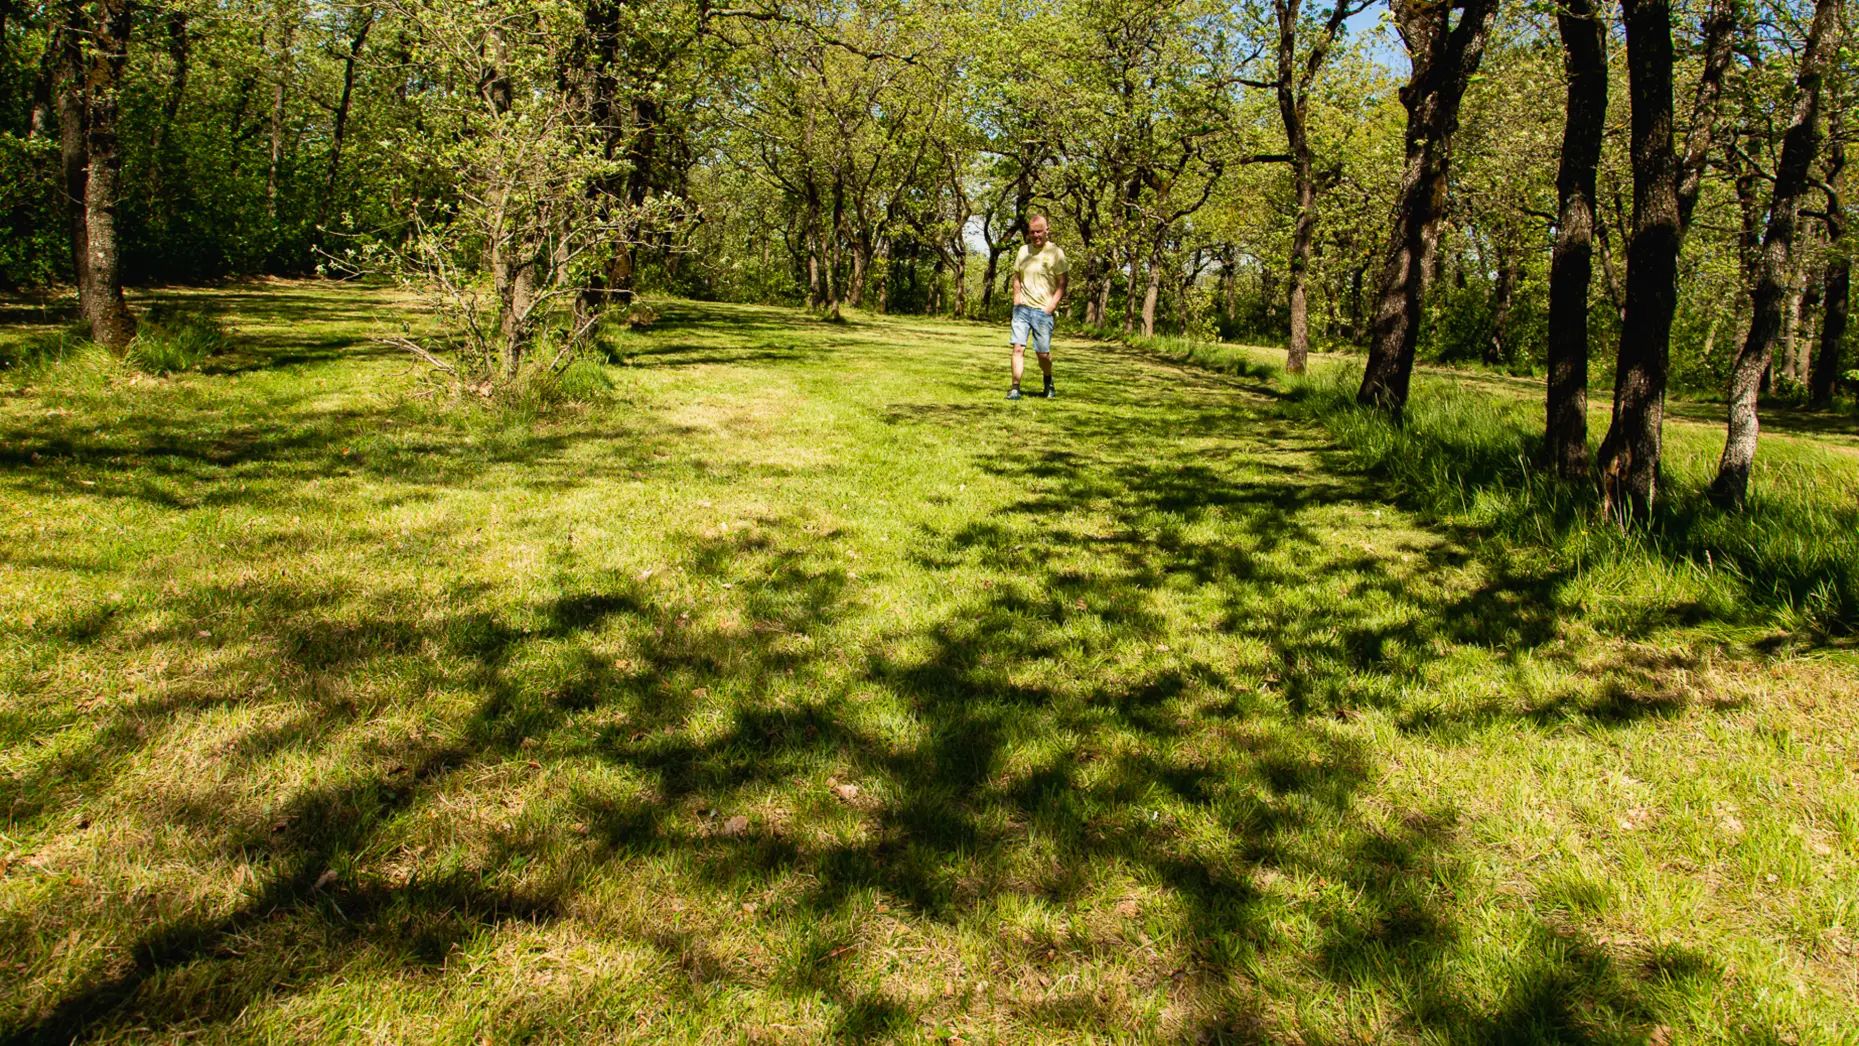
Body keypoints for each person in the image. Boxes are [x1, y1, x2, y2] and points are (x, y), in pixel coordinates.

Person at [1006, 215, 1068, 400]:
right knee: (1018, 348)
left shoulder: (1056, 253)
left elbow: (1063, 282)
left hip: (1043, 311)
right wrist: (1016, 300)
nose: (1035, 236)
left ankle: (1048, 378)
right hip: (1022, 309)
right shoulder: (1023, 251)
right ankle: (1015, 388)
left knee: (1042, 354)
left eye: (1039, 231)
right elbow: (1017, 277)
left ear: (1047, 231)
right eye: (1032, 232)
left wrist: (1051, 306)